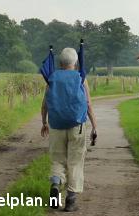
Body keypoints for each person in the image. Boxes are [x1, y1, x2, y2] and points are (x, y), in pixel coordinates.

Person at [41, 47, 98, 211]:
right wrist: (94, 126)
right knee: (75, 161)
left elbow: (45, 105)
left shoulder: (52, 78)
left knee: (57, 158)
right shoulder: (80, 78)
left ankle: (56, 185)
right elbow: (88, 104)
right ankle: (71, 200)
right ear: (75, 63)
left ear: (60, 63)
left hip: (56, 125)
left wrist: (44, 122)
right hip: (77, 127)